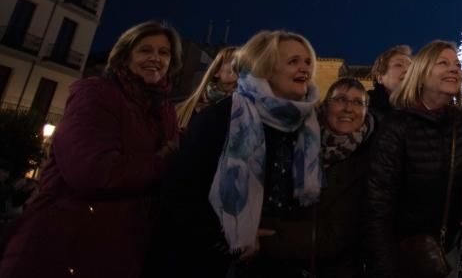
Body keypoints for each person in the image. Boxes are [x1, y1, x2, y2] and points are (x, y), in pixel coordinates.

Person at [0, 21, 182, 278]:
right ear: (125, 55)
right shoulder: (95, 94)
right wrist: (162, 162)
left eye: (164, 53)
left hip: (119, 252)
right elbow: (90, 171)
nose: (155, 58)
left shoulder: (164, 111)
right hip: (60, 248)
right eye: (145, 50)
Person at [149, 30, 322, 277]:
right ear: (265, 68)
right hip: (212, 262)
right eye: (293, 61)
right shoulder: (223, 118)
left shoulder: (307, 127)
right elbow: (180, 196)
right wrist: (230, 238)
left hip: (276, 264)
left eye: (308, 62)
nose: (305, 69)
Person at [366, 40, 462, 278]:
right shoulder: (397, 126)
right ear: (421, 73)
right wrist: (384, 267)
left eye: (457, 64)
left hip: (448, 252)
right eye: (443, 63)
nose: (454, 69)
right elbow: (377, 205)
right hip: (405, 255)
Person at [261, 77, 376, 278]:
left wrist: (264, 237)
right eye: (340, 99)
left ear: (366, 111)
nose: (348, 108)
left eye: (358, 102)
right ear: (325, 106)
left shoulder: (373, 159)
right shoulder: (297, 141)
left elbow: (339, 235)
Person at [175, 45, 238, 131]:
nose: (240, 69)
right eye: (235, 63)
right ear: (216, 71)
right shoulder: (183, 109)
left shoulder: (241, 112)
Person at [368, 44, 411, 122]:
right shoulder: (366, 109)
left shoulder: (425, 109)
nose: (407, 70)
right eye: (398, 65)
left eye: (411, 67)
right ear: (380, 78)